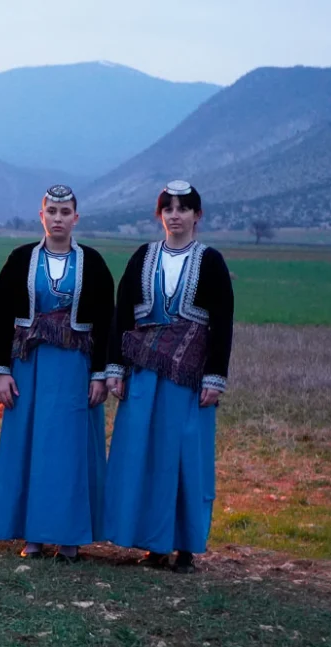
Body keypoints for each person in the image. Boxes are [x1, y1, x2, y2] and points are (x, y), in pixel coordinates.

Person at [103, 180, 234, 574]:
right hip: (144, 375)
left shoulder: (210, 261)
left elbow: (222, 323)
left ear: (198, 215)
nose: (175, 216)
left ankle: (185, 547)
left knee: (183, 458)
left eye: (183, 208)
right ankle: (152, 544)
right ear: (159, 215)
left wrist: (214, 376)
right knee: (142, 455)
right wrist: (115, 369)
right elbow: (122, 315)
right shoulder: (143, 257)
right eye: (168, 209)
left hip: (187, 380)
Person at [0, 185, 115, 563]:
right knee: (30, 448)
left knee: (67, 451)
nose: (58, 218)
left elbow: (106, 321)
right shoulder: (21, 259)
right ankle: (34, 535)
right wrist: (1, 372)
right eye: (52, 212)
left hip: (74, 370)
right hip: (28, 367)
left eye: (65, 212)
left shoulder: (93, 263)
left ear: (76, 217)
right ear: (42, 216)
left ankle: (69, 537)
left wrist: (100, 374)